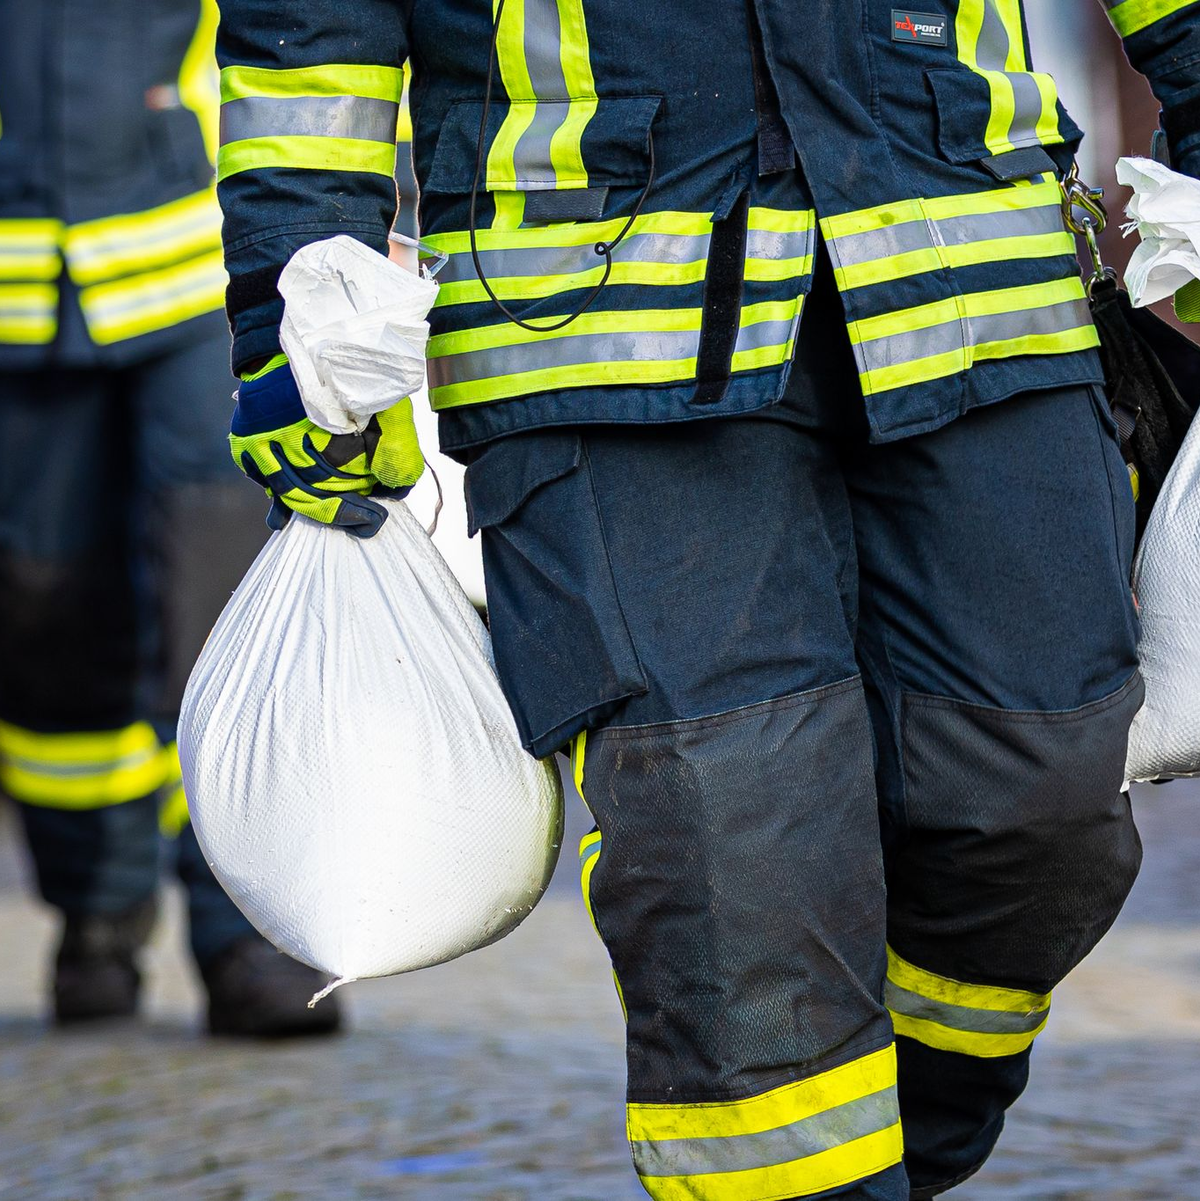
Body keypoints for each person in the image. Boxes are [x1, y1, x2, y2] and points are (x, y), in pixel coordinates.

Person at [212, 0, 1195, 1193]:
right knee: (731, 847)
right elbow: (311, 36)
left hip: (974, 273)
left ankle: (900, 1147)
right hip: (601, 333)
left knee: (1037, 804)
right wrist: (292, 310)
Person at [0, 0, 339, 1036]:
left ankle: (253, 931)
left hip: (200, 271)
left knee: (220, 605)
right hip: (14, 294)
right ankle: (94, 911)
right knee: (41, 617)